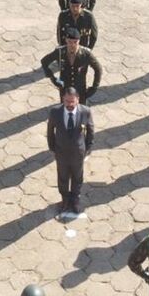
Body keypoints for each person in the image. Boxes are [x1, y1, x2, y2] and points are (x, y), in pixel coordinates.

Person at [46, 86, 94, 214]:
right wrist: (53, 148)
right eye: (67, 101)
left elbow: (90, 131)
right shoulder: (55, 112)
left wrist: (87, 149)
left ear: (78, 99)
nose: (70, 104)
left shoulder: (85, 111)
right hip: (61, 153)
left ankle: (75, 199)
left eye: (72, 101)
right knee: (62, 177)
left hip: (78, 153)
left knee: (77, 177)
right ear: (63, 99)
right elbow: (50, 131)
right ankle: (65, 199)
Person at [41, 28, 103, 105]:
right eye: (69, 41)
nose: (72, 45)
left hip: (80, 89)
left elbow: (98, 69)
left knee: (80, 112)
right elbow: (44, 61)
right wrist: (53, 79)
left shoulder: (86, 54)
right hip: (65, 88)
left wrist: (94, 88)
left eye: (75, 42)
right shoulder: (60, 52)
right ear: (66, 40)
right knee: (65, 110)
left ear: (79, 41)